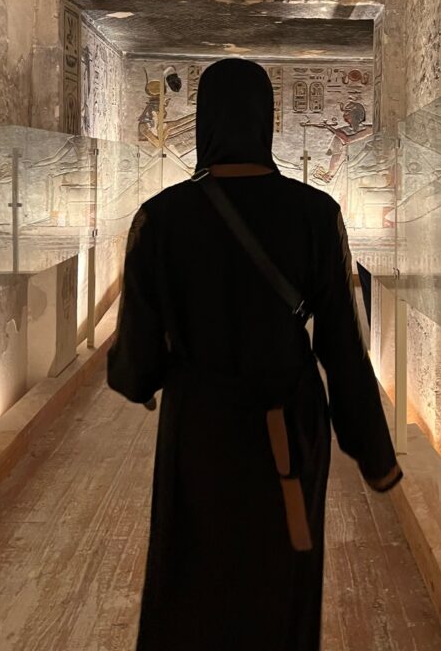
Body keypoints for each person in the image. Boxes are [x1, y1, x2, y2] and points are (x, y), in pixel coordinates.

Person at [107, 58, 402, 651]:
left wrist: (144, 380)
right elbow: (341, 348)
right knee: (279, 582)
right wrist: (374, 456)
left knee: (193, 579)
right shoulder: (316, 215)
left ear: (205, 123)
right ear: (266, 122)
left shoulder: (160, 219)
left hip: (200, 430)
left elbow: (136, 358)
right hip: (287, 432)